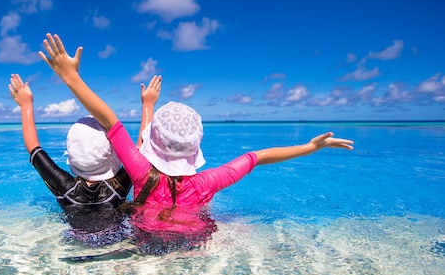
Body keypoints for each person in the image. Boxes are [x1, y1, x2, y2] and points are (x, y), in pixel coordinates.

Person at [37, 33, 355, 230]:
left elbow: (109, 120)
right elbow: (257, 157)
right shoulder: (208, 181)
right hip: (194, 245)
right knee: (229, 227)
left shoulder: (139, 171)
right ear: (194, 148)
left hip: (145, 243)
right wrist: (311, 147)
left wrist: (72, 79)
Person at [8, 73, 161, 247]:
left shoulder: (65, 189)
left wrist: (25, 105)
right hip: (118, 243)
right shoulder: (118, 188)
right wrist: (148, 105)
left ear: (71, 158)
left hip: (76, 245)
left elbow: (34, 148)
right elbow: (142, 147)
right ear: (114, 155)